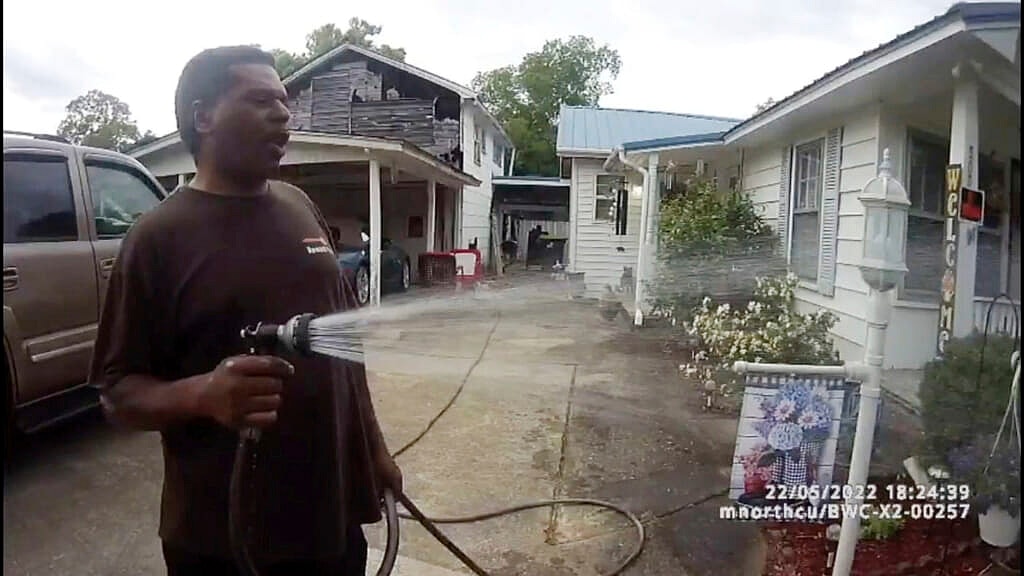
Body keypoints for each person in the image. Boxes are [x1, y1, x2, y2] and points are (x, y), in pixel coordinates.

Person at [88, 45, 401, 576]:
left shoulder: (300, 207)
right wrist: (204, 394)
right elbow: (118, 395)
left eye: (283, 100)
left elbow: (345, 351)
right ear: (203, 116)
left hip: (329, 523)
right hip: (221, 539)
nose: (283, 114)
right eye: (260, 100)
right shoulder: (157, 239)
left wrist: (375, 451)